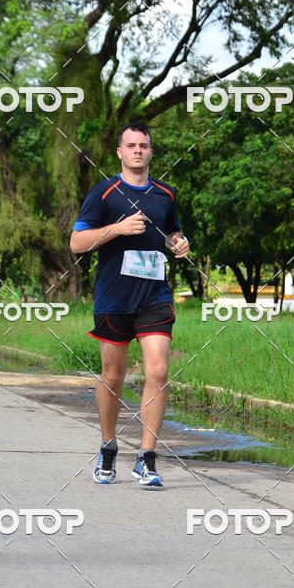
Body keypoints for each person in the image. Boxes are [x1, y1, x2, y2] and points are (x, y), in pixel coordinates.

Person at [69, 122, 190, 488]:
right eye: (131, 145)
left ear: (151, 152)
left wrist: (180, 243)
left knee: (158, 372)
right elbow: (77, 242)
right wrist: (117, 229)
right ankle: (108, 448)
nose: (138, 150)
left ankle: (146, 459)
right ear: (120, 153)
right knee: (113, 377)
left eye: (144, 145)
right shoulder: (104, 194)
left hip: (154, 296)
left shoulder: (165, 195)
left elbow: (172, 233)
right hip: (114, 297)